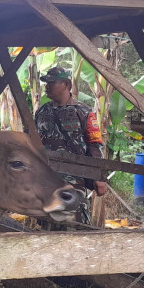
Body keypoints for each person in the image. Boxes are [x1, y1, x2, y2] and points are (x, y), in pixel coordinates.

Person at [34, 67, 107, 223]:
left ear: (66, 85)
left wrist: (98, 177)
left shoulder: (84, 112)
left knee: (75, 221)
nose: (47, 86)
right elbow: (33, 142)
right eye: (46, 83)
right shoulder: (41, 112)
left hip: (75, 179)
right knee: (48, 222)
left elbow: (95, 146)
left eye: (51, 83)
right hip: (48, 178)